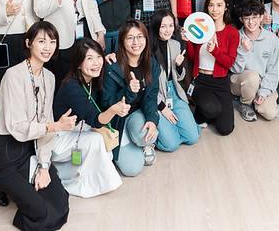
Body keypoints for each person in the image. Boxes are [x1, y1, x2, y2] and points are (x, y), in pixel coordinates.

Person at [0, 21, 74, 231]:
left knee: (61, 203)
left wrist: (44, 167)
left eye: (52, 42)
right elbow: (17, 127)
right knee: (41, 214)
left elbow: (46, 120)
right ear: (28, 43)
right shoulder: (13, 75)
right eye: (41, 41)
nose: (48, 47)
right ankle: (3, 184)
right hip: (4, 152)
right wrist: (53, 127)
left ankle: (23, 186)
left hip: (27, 149)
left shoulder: (50, 77)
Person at [52, 38, 125, 197]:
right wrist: (113, 110)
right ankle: (82, 184)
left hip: (77, 130)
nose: (96, 63)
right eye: (89, 59)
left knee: (104, 144)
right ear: (78, 63)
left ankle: (87, 178)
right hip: (59, 136)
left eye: (98, 57)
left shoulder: (90, 80)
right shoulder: (71, 85)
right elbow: (95, 119)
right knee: (96, 140)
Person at [101, 21, 161, 176]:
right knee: (132, 169)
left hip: (137, 113)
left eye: (140, 37)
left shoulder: (151, 64)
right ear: (122, 41)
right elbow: (107, 103)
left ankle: (143, 142)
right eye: (130, 38)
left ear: (146, 39)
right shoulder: (112, 66)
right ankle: (130, 140)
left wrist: (152, 119)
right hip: (117, 119)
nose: (136, 42)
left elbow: (151, 96)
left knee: (146, 136)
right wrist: (128, 91)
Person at [184, 0, 240, 135]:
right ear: (207, 7)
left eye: (219, 5)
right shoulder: (200, 27)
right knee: (212, 109)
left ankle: (210, 110)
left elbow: (229, 63)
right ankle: (203, 112)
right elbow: (191, 57)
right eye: (211, 5)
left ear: (226, 7)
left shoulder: (232, 32)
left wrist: (214, 50)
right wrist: (188, 41)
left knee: (225, 129)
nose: (215, 9)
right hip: (200, 80)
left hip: (221, 82)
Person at [149, 10, 200, 151]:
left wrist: (178, 67)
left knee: (192, 138)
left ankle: (179, 127)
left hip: (175, 92)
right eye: (163, 26)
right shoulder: (147, 49)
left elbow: (180, 77)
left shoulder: (176, 44)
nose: (168, 30)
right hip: (156, 96)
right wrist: (162, 108)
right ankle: (154, 140)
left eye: (171, 25)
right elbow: (147, 87)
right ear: (155, 27)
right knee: (171, 145)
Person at [230, 0, 279, 122]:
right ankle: (245, 103)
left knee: (270, 114)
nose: (251, 22)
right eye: (247, 18)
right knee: (252, 77)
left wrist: (263, 92)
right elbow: (234, 69)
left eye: (255, 17)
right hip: (240, 80)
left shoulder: (272, 39)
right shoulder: (235, 36)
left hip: (261, 83)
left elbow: (273, 70)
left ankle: (255, 98)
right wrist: (242, 50)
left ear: (261, 17)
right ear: (241, 19)